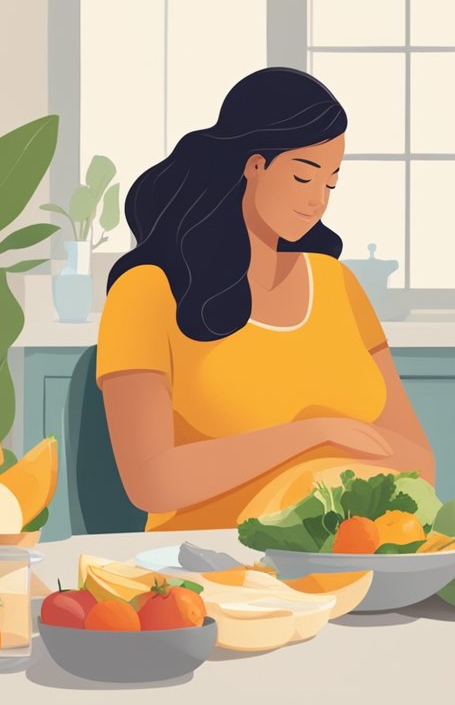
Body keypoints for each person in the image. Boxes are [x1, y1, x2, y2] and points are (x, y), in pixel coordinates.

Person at [95, 67, 434, 531]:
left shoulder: (338, 284)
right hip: (207, 567)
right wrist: (312, 436)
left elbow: (420, 466)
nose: (318, 200)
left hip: (349, 555)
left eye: (331, 183)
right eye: (303, 177)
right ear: (254, 165)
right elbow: (152, 480)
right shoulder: (148, 291)